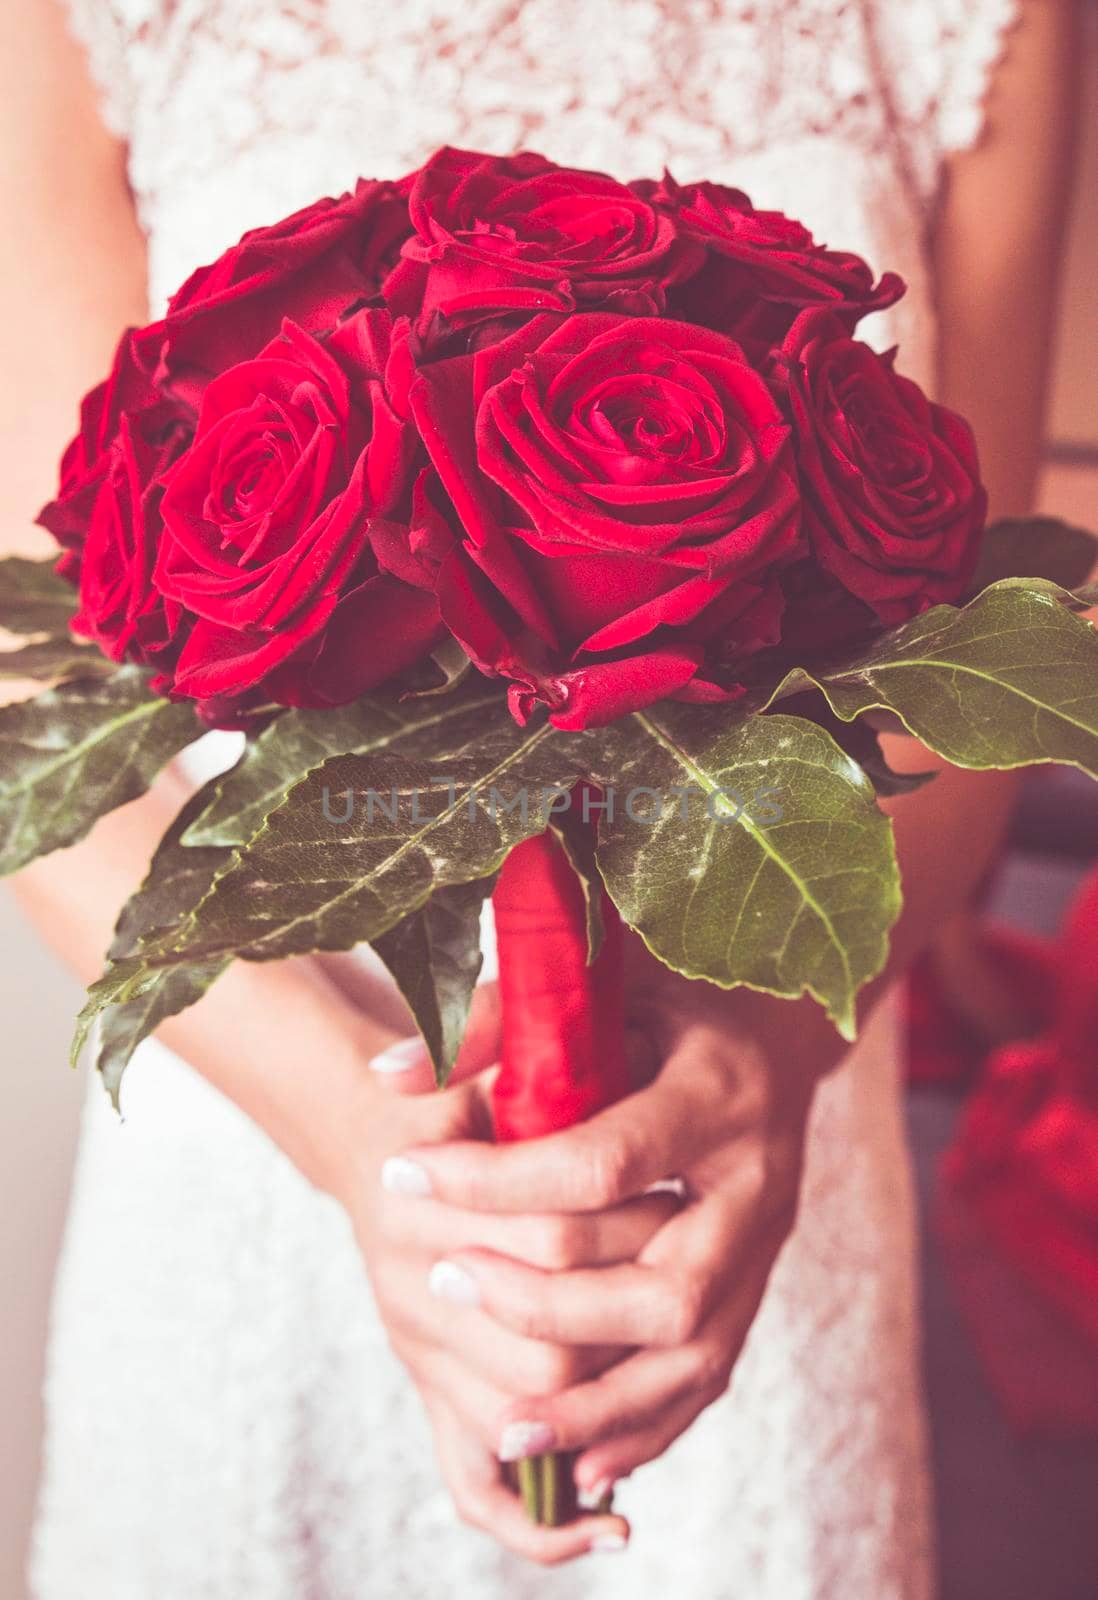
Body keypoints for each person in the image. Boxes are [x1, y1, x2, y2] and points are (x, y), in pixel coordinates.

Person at [3, 1, 1079, 1595]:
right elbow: (41, 714)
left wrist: (758, 1059)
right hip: (267, 1107)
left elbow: (957, 694)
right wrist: (379, 1157)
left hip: (728, 1153)